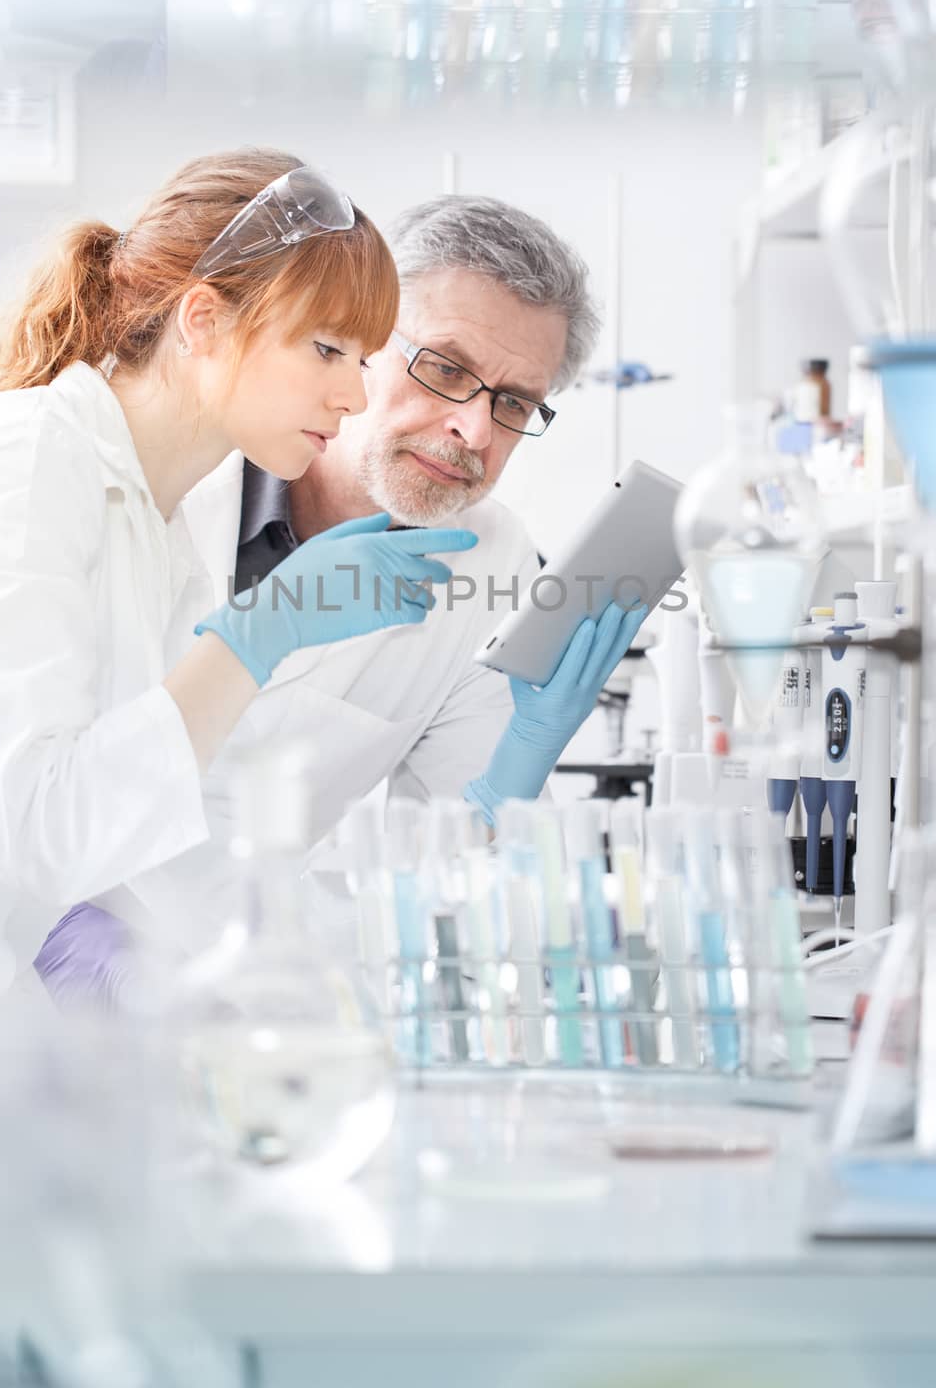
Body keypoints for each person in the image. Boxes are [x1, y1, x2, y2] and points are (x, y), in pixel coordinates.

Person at [37, 196, 648, 1001]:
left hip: (249, 987)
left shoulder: (492, 564)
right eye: (445, 368)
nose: (473, 429)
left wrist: (515, 772)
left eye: (513, 402)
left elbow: (433, 882)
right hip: (29, 941)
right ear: (359, 342)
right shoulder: (176, 477)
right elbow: (45, 775)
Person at [0, 149, 483, 1012]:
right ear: (204, 320)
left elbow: (134, 831)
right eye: (326, 348)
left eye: (362, 358)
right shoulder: (23, 464)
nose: (352, 395)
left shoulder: (159, 522)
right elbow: (45, 831)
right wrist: (266, 629)